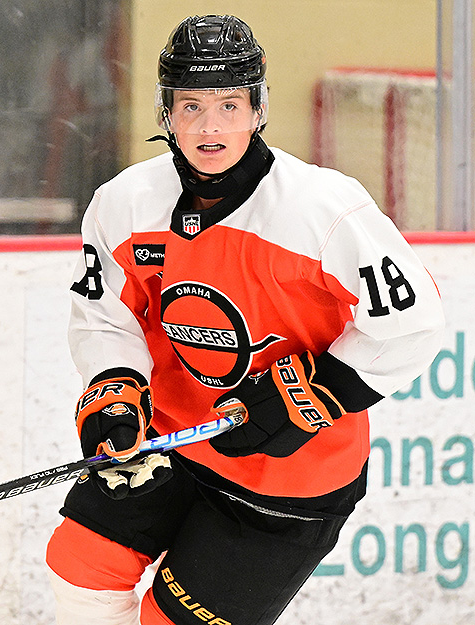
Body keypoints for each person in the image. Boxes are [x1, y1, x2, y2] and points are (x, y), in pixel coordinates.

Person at [46, 14, 444, 625]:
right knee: (80, 566)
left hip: (291, 479)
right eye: (192, 106)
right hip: (171, 444)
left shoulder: (323, 208)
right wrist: (114, 394)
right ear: (166, 113)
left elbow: (413, 322)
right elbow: (105, 317)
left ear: (258, 110)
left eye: (229, 105)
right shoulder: (125, 202)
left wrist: (318, 394)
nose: (211, 126)